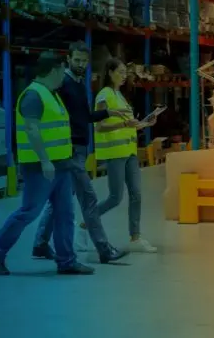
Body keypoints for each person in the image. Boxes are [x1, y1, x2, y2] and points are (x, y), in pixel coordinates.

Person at [0, 52, 93, 275]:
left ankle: (66, 261)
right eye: (62, 71)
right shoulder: (33, 95)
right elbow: (32, 129)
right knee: (29, 212)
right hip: (41, 168)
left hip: (62, 165)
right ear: (53, 70)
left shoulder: (51, 94)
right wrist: (45, 160)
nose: (64, 76)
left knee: (65, 213)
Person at [32, 42, 129, 264]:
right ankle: (104, 249)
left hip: (79, 148)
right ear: (68, 59)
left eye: (84, 61)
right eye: (76, 60)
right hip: (70, 149)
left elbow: (84, 117)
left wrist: (108, 112)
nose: (80, 65)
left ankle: (39, 243)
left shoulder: (78, 84)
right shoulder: (63, 84)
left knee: (59, 197)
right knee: (89, 197)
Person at [93, 58, 158, 253]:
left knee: (136, 194)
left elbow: (129, 124)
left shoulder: (119, 95)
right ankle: (86, 224)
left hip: (129, 152)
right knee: (115, 197)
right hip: (115, 153)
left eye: (125, 73)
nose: (124, 76)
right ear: (110, 72)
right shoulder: (104, 96)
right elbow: (99, 125)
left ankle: (135, 237)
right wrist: (123, 125)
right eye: (120, 72)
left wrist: (145, 124)